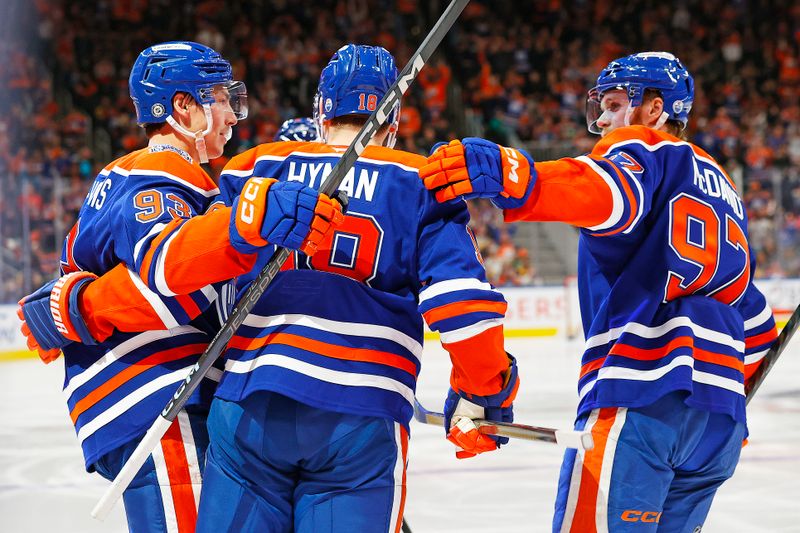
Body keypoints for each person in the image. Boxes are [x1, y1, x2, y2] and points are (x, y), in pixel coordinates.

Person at [418, 51, 778, 532]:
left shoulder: (649, 149)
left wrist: (515, 177)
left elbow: (607, 192)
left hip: (641, 399)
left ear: (655, 109)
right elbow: (754, 321)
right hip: (720, 425)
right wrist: (722, 403)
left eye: (614, 104)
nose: (604, 121)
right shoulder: (726, 188)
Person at [17, 41, 342, 533]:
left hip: (147, 400)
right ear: (183, 107)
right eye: (220, 98)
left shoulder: (139, 175)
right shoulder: (161, 171)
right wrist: (249, 227)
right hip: (155, 398)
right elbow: (171, 281)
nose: (233, 114)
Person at [193, 44, 519, 532]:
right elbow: (462, 306)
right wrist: (485, 391)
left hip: (248, 402)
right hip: (359, 414)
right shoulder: (421, 183)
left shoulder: (252, 166)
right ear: (394, 119)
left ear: (321, 111)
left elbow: (200, 273)